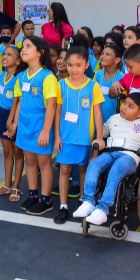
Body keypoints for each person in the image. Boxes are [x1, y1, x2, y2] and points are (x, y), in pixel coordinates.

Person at [73, 93, 140, 225]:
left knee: (117, 169)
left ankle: (102, 208)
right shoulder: (113, 118)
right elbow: (101, 135)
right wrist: (95, 148)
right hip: (109, 152)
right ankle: (88, 201)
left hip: (129, 156)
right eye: (124, 103)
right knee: (94, 165)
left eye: (130, 106)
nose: (124, 107)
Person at [5, 36, 59, 216]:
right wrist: (14, 123)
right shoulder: (21, 76)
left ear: (40, 52)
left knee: (43, 162)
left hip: (40, 124)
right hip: (25, 125)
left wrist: (45, 130)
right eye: (23, 47)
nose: (23, 49)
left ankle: (46, 198)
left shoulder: (47, 77)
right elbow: (19, 102)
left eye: (28, 46)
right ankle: (33, 195)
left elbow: (51, 105)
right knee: (30, 161)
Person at [53, 46, 104, 224]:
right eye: (70, 65)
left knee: (83, 170)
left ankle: (84, 200)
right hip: (66, 138)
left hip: (85, 139)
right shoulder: (61, 85)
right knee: (64, 171)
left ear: (86, 65)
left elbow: (98, 113)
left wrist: (98, 137)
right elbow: (57, 112)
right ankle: (63, 206)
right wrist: (57, 136)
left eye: (78, 65)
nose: (73, 69)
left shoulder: (93, 86)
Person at [0, 45, 25, 202]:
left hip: (15, 118)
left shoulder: (20, 78)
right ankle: (6, 184)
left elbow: (18, 102)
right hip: (4, 115)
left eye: (9, 55)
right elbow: (2, 98)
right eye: (4, 54)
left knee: (18, 153)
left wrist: (13, 122)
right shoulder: (3, 74)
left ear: (18, 61)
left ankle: (16, 186)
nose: (4, 57)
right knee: (6, 152)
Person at [94, 42, 125, 122]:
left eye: (107, 54)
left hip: (112, 121)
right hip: (95, 118)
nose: (102, 56)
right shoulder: (97, 74)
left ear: (117, 60)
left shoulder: (122, 78)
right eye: (102, 53)